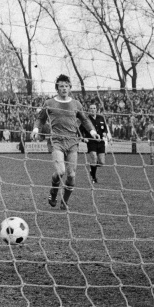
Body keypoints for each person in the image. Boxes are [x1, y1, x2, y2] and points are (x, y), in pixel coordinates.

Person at [31, 74, 100, 210]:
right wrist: (35, 129)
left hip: (73, 142)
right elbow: (40, 119)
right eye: (61, 86)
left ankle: (64, 201)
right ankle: (54, 191)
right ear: (57, 88)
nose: (64, 88)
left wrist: (92, 132)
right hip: (56, 141)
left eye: (66, 86)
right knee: (60, 171)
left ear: (70, 88)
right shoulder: (49, 103)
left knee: (72, 176)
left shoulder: (76, 104)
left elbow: (85, 120)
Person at [80, 103, 111, 184]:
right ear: (89, 110)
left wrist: (105, 133)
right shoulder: (86, 120)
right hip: (91, 142)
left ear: (96, 109)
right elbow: (80, 131)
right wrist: (83, 139)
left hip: (101, 142)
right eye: (91, 108)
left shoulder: (101, 118)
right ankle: (94, 177)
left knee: (101, 163)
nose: (92, 109)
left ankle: (92, 168)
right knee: (93, 157)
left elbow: (105, 129)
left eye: (94, 108)